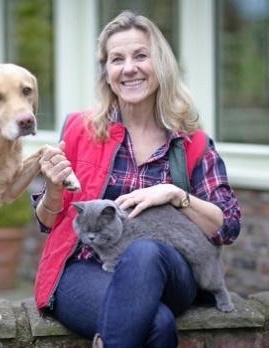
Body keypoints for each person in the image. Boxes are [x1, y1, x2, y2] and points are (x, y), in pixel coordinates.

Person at [32, 10, 241, 348]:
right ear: (107, 73)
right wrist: (53, 191)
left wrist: (176, 195)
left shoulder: (192, 143)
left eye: (140, 55)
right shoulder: (79, 131)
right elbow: (46, 221)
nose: (129, 68)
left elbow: (227, 226)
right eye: (117, 59)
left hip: (170, 272)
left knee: (144, 253)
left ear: (160, 65)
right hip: (86, 270)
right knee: (157, 325)